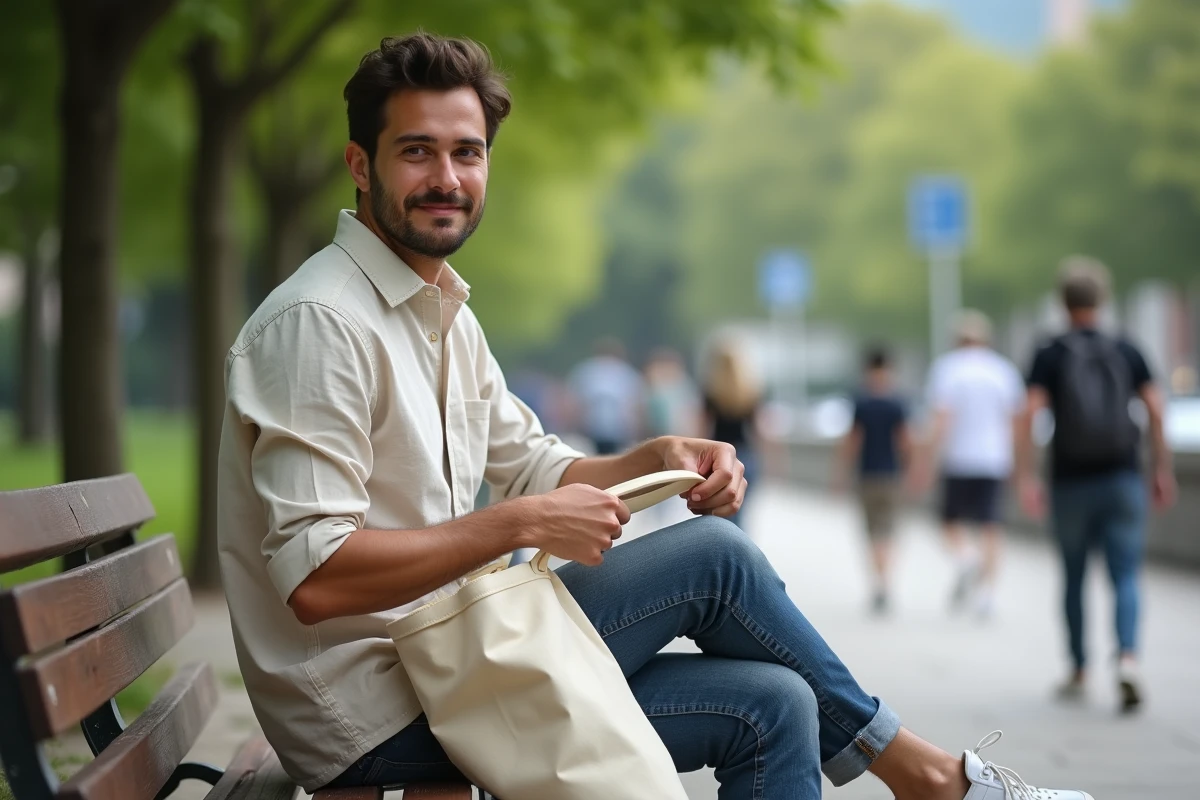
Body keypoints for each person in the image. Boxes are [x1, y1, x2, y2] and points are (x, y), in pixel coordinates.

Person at [217, 33, 1094, 800]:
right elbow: (318, 578)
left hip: (458, 660)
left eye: (468, 152)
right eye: (417, 152)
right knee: (714, 557)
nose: (447, 178)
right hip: (374, 705)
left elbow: (537, 465)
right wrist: (518, 523)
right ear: (361, 164)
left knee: (778, 704)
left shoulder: (440, 309)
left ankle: (917, 772)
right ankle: (927, 776)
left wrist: (659, 457)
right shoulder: (323, 326)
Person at [1016, 257, 1177, 713]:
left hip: (1070, 481)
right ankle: (1127, 658)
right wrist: (1160, 468)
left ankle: (1078, 668)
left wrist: (1027, 475)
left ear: (1062, 302)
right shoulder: (1126, 347)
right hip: (1123, 476)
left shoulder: (1050, 351)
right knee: (1125, 573)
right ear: (1101, 300)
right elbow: (1157, 409)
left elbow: (1028, 413)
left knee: (1073, 575)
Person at [911, 310, 1025, 618]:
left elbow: (940, 420)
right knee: (991, 527)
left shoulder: (947, 369)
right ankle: (988, 594)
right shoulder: (1003, 371)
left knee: (949, 521)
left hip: (958, 459)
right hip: (994, 460)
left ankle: (965, 559)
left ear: (957, 340)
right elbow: (1015, 420)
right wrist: (1018, 462)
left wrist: (926, 462)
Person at [833, 346, 911, 614]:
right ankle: (886, 582)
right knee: (888, 532)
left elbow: (853, 441)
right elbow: (905, 441)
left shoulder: (861, 402)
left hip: (867, 475)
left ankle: (878, 584)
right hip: (891, 475)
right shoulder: (897, 402)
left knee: (870, 533)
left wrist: (841, 474)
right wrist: (910, 471)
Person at [701, 339, 763, 530]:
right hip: (745, 455)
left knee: (720, 512)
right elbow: (759, 430)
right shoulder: (749, 392)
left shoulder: (712, 391)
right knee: (741, 509)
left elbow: (702, 430)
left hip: (719, 458)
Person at [567, 338, 645, 455]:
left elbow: (574, 400)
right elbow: (634, 403)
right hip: (612, 427)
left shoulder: (586, 370)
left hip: (597, 425)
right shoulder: (626, 373)